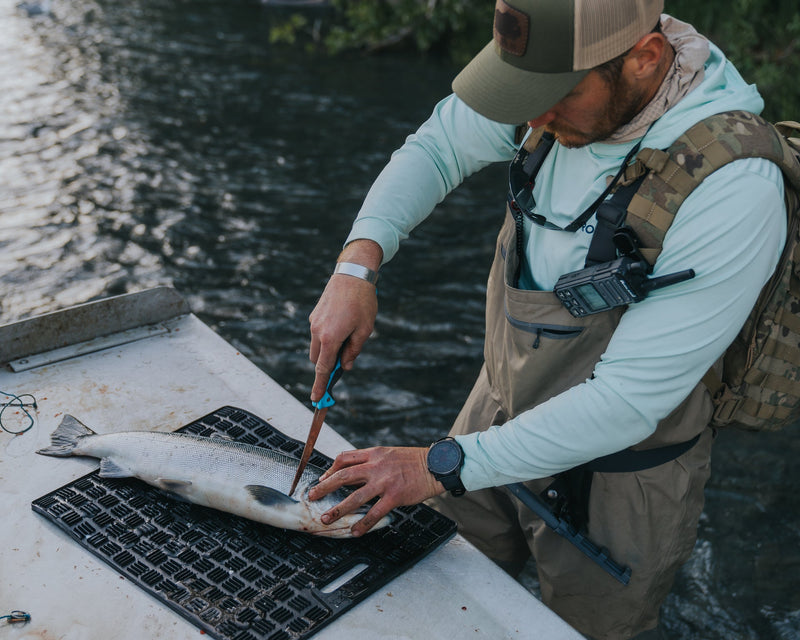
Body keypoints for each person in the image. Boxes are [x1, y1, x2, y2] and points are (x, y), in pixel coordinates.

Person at [305, 1, 787, 638]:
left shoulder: (736, 186)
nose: (529, 117)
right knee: (433, 598)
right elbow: (441, 145)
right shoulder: (558, 88)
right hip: (493, 413)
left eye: (553, 95)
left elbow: (626, 402)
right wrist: (357, 265)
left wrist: (435, 467)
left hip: (621, 478)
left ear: (645, 57)